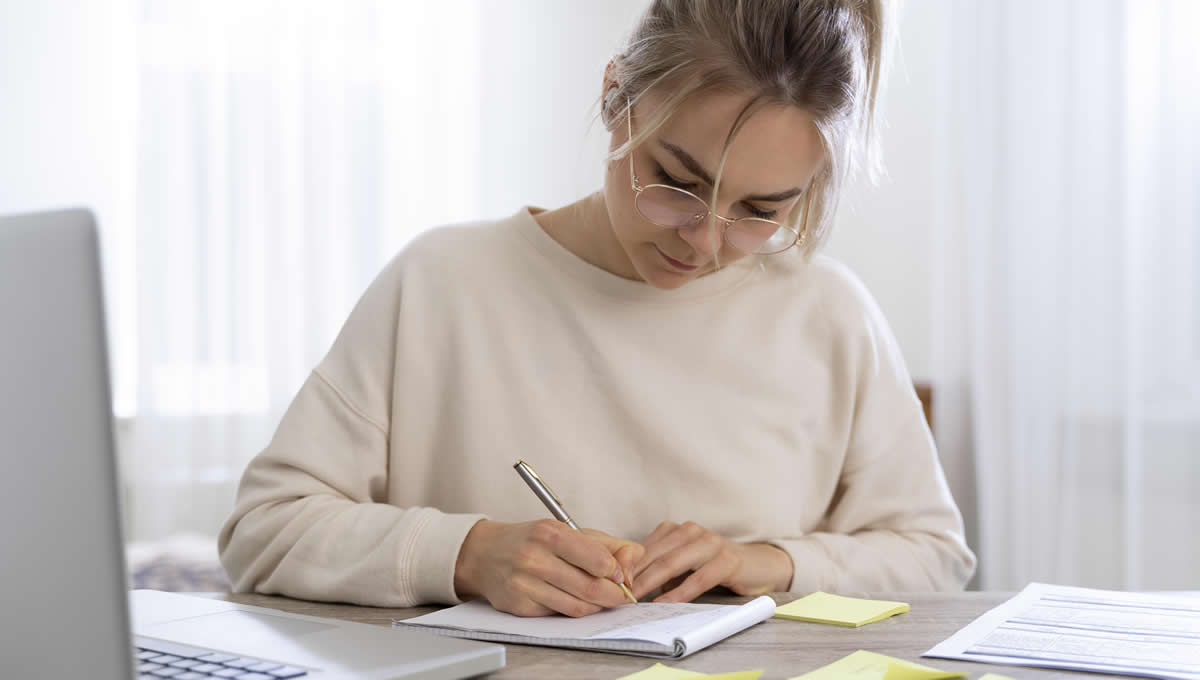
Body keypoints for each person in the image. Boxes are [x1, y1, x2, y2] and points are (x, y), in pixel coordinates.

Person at [219, 0, 976, 618]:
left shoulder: (828, 315)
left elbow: (934, 556)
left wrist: (773, 563)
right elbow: (264, 529)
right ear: (614, 95)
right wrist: (469, 554)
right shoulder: (442, 283)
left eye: (759, 210)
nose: (707, 241)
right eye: (676, 181)